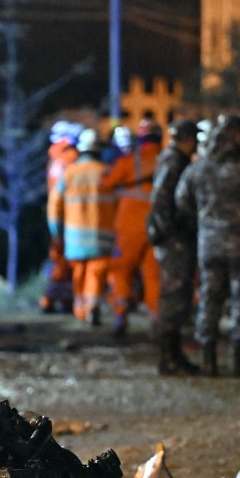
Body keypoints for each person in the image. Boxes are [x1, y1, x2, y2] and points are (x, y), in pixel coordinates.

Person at [175, 114, 240, 376]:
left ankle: (209, 361)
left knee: (209, 298)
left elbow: (182, 200)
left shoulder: (198, 168)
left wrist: (205, 217)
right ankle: (238, 360)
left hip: (208, 246)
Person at [47, 128, 116, 326]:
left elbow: (55, 205)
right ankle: (92, 306)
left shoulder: (69, 172)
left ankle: (80, 307)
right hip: (103, 237)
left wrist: (55, 231)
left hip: (74, 238)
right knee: (96, 273)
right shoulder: (106, 173)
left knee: (78, 274)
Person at [100, 120, 163, 337]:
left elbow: (106, 182)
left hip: (129, 227)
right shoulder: (167, 161)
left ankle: (121, 313)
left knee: (121, 270)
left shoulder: (129, 162)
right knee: (153, 275)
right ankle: (156, 320)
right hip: (157, 227)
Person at [146, 118, 200, 374]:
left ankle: (173, 355)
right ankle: (168, 358)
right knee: (173, 298)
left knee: (177, 298)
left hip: (173, 238)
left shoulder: (172, 160)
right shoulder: (174, 161)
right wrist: (172, 230)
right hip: (174, 241)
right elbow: (161, 200)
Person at [40, 121, 83, 314]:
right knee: (63, 262)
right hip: (68, 217)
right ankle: (51, 299)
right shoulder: (69, 159)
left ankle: (62, 300)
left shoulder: (55, 158)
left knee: (62, 261)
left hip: (58, 216)